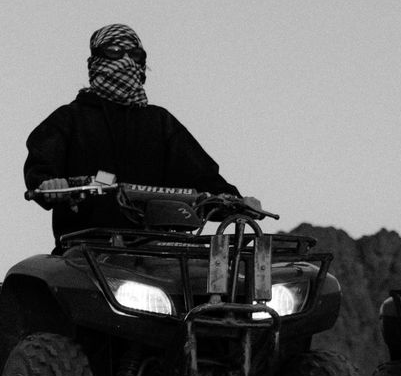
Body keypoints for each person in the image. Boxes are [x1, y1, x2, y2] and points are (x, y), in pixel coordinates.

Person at [23, 24, 242, 242]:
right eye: (114, 52)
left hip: (154, 251)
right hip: (86, 250)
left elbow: (200, 173)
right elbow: (42, 163)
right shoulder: (70, 119)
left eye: (135, 54)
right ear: (96, 61)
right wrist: (49, 184)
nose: (126, 61)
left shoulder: (159, 122)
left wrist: (231, 200)